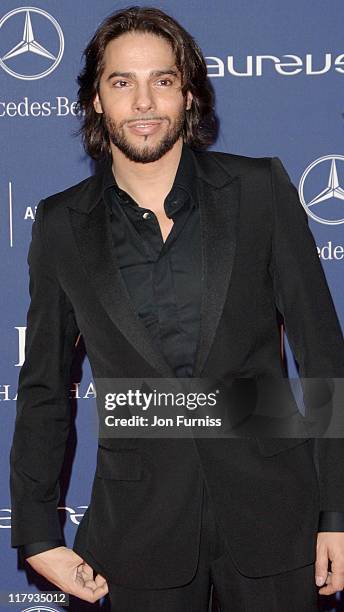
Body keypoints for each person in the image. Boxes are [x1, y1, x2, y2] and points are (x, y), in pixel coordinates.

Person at [9, 5, 344, 611]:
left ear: (189, 95)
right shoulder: (61, 224)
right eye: (121, 82)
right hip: (136, 529)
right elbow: (45, 388)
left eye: (162, 80)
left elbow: (322, 356)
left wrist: (338, 512)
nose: (143, 103)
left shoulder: (259, 190)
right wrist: (35, 532)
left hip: (277, 517)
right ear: (94, 100)